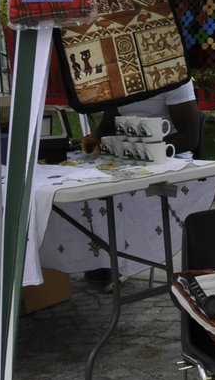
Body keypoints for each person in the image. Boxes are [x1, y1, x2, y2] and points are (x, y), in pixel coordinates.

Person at [81, 79, 202, 284]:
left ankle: (119, 262)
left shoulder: (175, 79)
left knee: (127, 195)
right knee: (91, 190)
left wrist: (143, 149)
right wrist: (96, 138)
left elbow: (190, 137)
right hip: (130, 158)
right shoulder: (117, 79)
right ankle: (101, 260)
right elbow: (110, 122)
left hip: (172, 161)